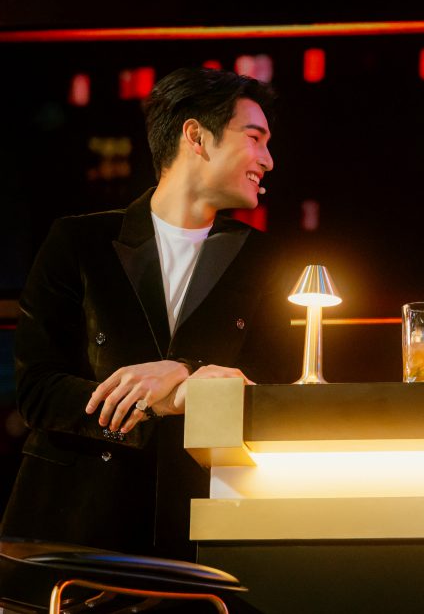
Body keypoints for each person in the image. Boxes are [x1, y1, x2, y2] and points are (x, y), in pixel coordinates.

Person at [2, 68, 292, 559]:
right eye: (254, 138)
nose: (268, 160)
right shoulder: (79, 241)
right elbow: (37, 391)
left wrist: (184, 371)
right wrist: (164, 399)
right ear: (196, 136)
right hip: (73, 524)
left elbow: (275, 390)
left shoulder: (262, 260)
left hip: (201, 526)